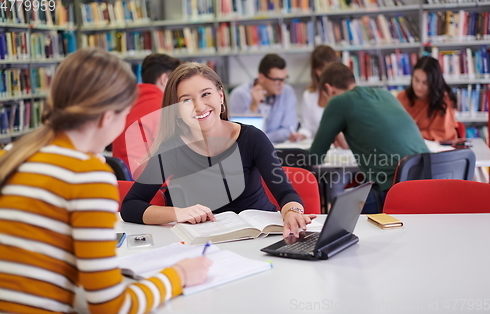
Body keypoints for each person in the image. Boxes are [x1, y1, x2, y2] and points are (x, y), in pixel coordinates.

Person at [0, 49, 211, 314]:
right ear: (107, 117)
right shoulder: (87, 176)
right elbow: (112, 306)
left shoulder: (12, 155)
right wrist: (178, 275)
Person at [121, 62, 315, 237]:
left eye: (206, 94)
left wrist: (293, 212)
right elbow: (131, 206)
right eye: (186, 100)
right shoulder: (172, 148)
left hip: (261, 236)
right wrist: (179, 213)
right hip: (210, 241)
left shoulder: (252, 138)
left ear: (220, 96)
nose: (199, 106)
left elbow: (286, 194)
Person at [309, 62, 430, 214]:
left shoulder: (337, 102)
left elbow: (314, 157)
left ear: (328, 88)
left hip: (393, 189)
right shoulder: (384, 94)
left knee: (339, 213)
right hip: (426, 179)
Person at [112, 53, 181, 174]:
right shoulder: (165, 107)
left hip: (124, 186)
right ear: (165, 79)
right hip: (154, 188)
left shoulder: (124, 103)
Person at [229, 53, 298, 143]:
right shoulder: (239, 95)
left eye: (284, 79)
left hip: (279, 148)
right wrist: (254, 105)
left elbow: (289, 129)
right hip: (251, 150)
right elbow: (241, 134)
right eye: (277, 80)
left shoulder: (287, 92)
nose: (281, 84)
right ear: (261, 77)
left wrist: (261, 139)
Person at [397, 56, 458, 142]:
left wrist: (411, 134)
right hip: (408, 147)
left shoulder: (444, 101)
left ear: (434, 83)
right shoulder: (402, 97)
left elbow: (441, 133)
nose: (419, 87)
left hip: (439, 149)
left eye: (425, 83)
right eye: (416, 80)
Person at [291, 45, 339, 142]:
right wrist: (301, 135)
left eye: (328, 68)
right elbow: (307, 128)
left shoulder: (344, 92)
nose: (325, 73)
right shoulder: (309, 94)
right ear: (314, 71)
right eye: (321, 69)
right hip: (318, 146)